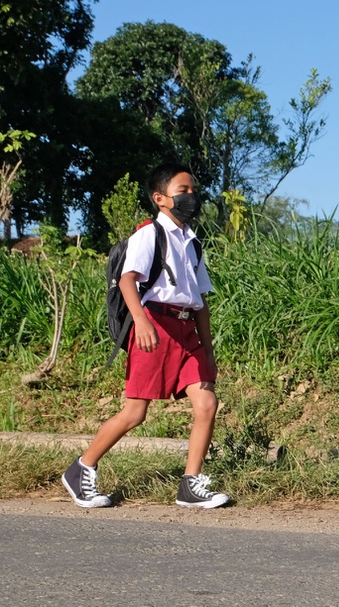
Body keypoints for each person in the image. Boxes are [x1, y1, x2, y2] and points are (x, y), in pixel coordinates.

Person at [62, 162, 228, 509]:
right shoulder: (149, 234)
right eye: (182, 191)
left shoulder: (193, 243)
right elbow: (127, 279)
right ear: (160, 198)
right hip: (154, 326)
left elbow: (200, 304)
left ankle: (190, 485)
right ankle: (81, 469)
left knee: (207, 403)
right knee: (135, 413)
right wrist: (141, 322)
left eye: (193, 190)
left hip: (187, 331)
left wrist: (208, 351)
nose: (191, 196)